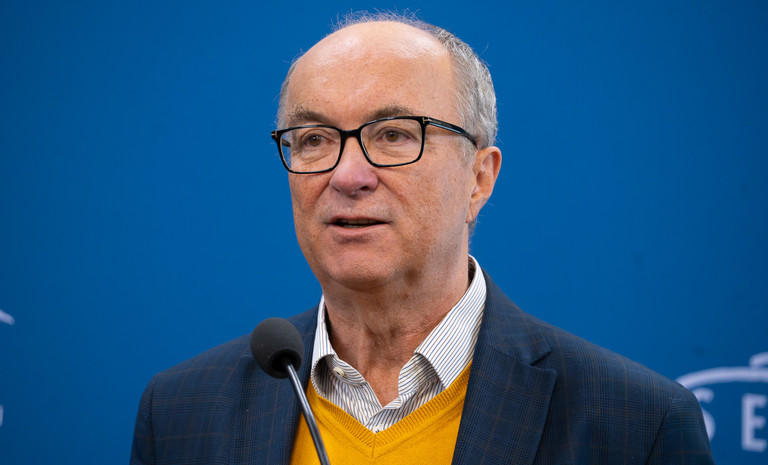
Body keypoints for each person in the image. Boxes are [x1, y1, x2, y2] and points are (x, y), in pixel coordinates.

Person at [130, 13, 713, 464]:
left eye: (393, 135)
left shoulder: (636, 425)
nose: (347, 176)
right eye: (313, 139)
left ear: (478, 178)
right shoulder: (182, 412)